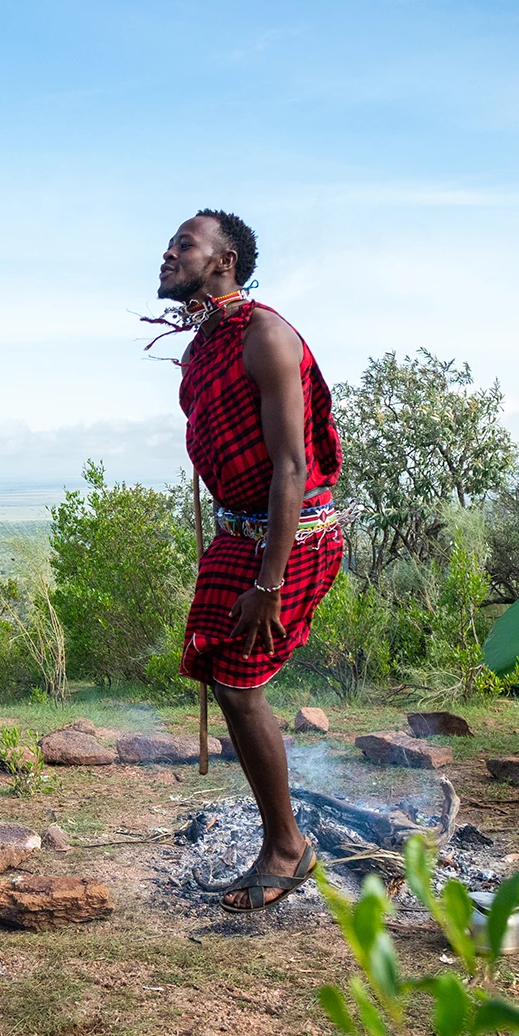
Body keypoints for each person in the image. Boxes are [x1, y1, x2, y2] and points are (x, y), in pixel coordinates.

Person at [161, 210, 344, 913]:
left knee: (239, 684)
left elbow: (291, 468)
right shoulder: (203, 346)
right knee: (221, 669)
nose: (167, 255)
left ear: (225, 260)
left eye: (185, 245)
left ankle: (288, 848)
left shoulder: (265, 334)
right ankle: (284, 836)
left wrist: (268, 583)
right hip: (241, 534)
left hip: (292, 537)